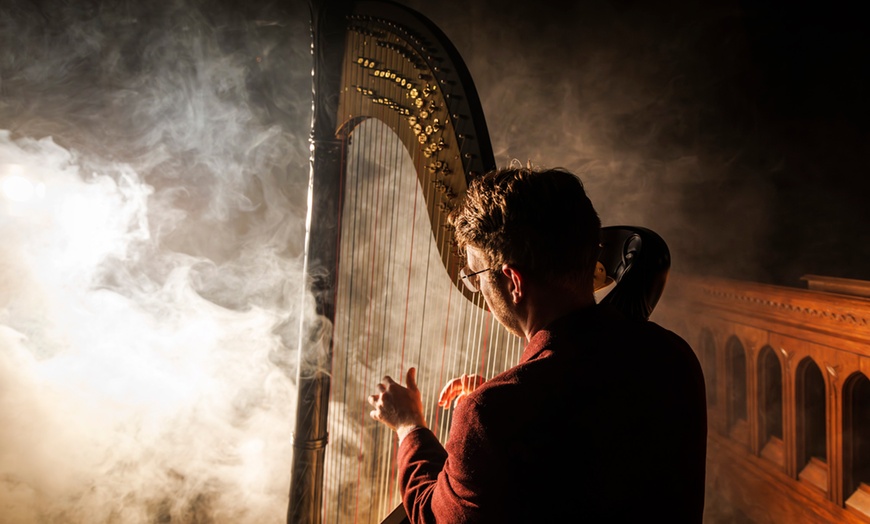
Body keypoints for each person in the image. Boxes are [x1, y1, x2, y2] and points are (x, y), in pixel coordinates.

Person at [367, 166, 707, 523]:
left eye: (474, 275)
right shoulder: (672, 355)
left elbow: (432, 516)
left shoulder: (494, 415)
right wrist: (497, 410)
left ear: (513, 281)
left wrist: (409, 426)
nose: (477, 288)